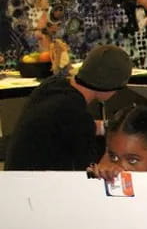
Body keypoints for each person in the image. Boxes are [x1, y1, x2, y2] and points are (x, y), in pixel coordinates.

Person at [5, 44, 133, 171]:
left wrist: (102, 127)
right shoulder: (76, 114)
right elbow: (87, 173)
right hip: (34, 185)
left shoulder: (53, 85)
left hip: (13, 177)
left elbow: (61, 125)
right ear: (110, 87)